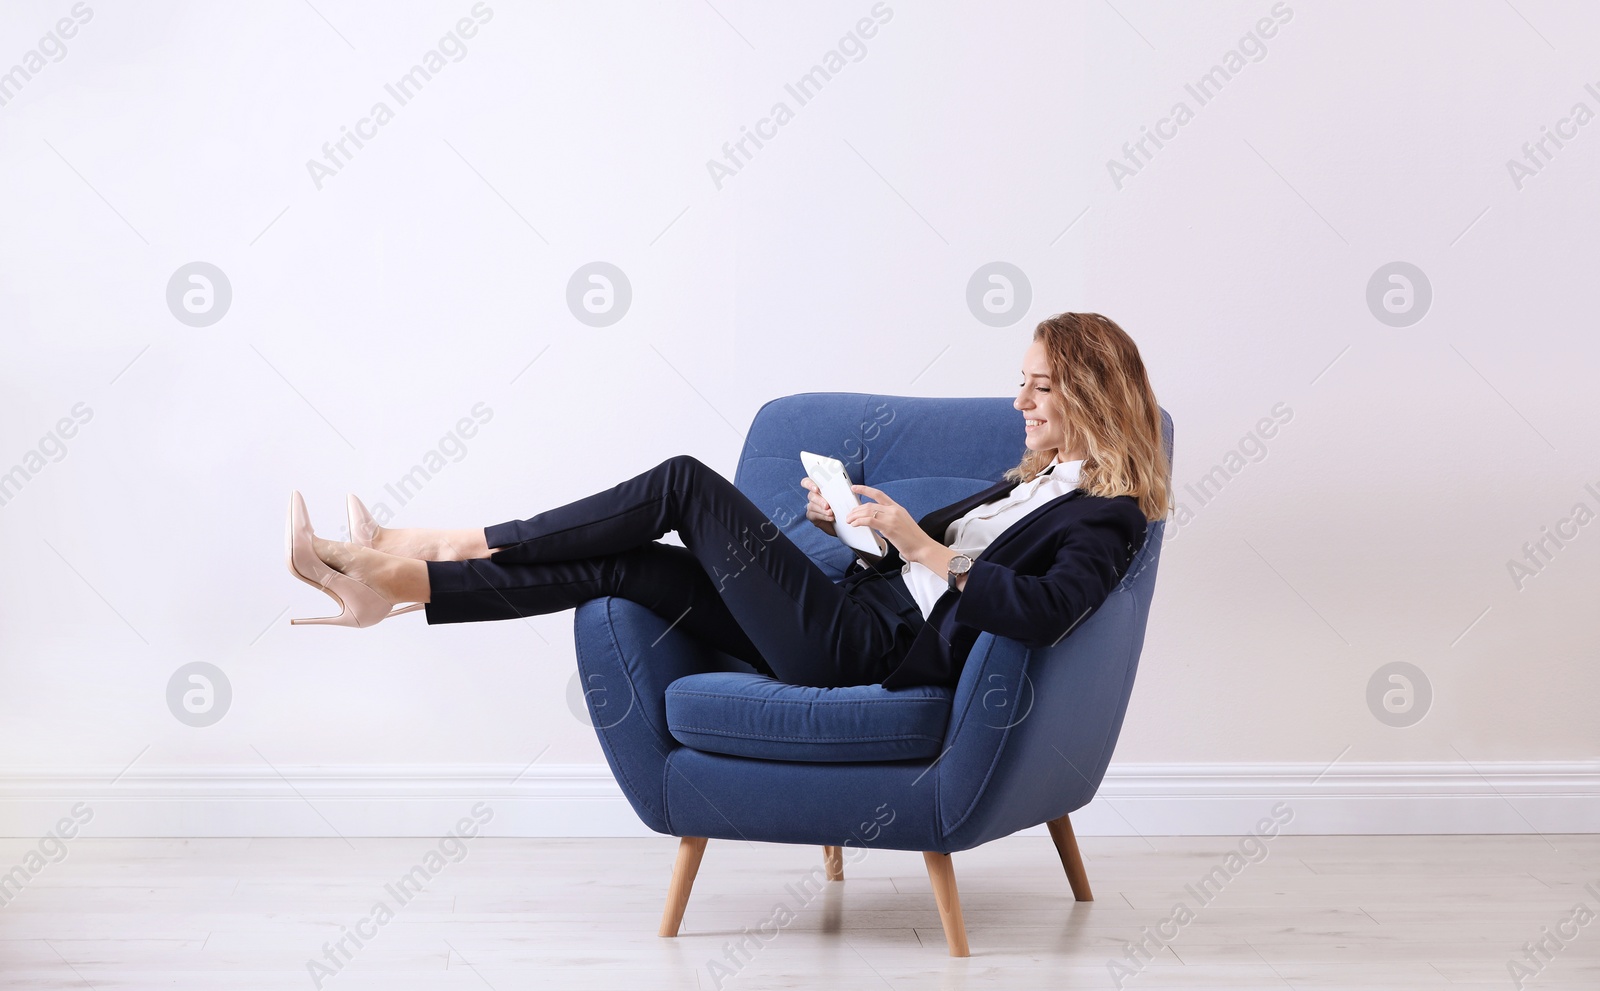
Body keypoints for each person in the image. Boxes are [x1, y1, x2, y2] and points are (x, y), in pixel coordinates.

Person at [285, 312, 1170, 690]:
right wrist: (857, 526)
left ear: (1093, 396)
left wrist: (924, 547)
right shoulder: (1035, 483)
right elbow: (914, 571)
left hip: (862, 651)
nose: (1020, 403)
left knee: (682, 483)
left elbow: (1050, 611)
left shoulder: (1110, 513)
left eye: (1041, 387)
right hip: (840, 611)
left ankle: (435, 543)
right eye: (1020, 383)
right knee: (627, 565)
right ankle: (396, 585)